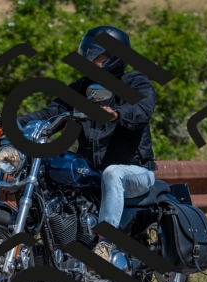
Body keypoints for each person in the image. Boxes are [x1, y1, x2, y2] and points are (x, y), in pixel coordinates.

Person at [17, 25, 157, 263]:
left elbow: (142, 109)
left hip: (135, 171)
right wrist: (13, 123)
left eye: (97, 56)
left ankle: (105, 243)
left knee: (113, 173)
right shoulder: (82, 88)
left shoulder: (136, 82)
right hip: (93, 172)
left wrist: (117, 113)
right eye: (88, 54)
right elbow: (52, 112)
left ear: (116, 57)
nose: (90, 60)